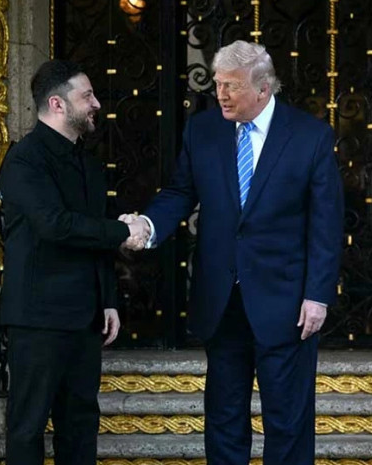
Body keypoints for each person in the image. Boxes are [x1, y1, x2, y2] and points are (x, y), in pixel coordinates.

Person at [122, 41, 344, 464]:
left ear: (263, 89)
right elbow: (180, 193)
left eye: (232, 86)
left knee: (288, 422)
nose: (220, 94)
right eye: (218, 83)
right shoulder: (202, 130)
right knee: (224, 419)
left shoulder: (310, 136)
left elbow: (326, 223)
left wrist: (317, 295)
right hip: (221, 302)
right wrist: (147, 226)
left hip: (287, 304)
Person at [0, 60, 149, 465]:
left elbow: (92, 239)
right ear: (57, 104)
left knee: (81, 424)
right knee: (27, 427)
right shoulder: (24, 160)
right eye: (87, 96)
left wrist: (109, 300)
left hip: (84, 318)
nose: (96, 103)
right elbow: (55, 225)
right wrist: (122, 231)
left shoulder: (88, 163)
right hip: (37, 319)